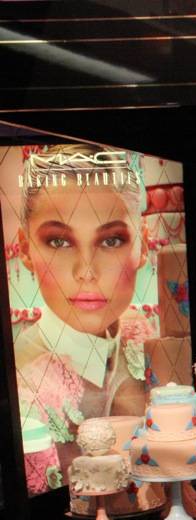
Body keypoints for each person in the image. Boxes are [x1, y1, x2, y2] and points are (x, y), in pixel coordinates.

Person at [12, 143, 154, 475]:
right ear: (25, 249)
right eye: (59, 241)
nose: (86, 271)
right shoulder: (23, 382)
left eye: (111, 240)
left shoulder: (140, 336)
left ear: (143, 245)